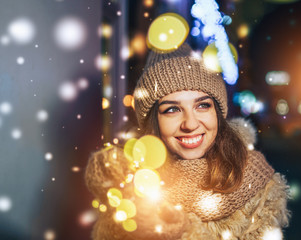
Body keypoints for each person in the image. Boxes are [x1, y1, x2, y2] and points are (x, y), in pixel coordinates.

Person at [85, 42, 290, 240]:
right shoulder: (130, 189)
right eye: (172, 109)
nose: (190, 124)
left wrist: (182, 232)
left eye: (202, 106)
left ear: (217, 113)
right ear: (153, 122)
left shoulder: (254, 180)